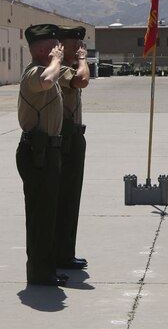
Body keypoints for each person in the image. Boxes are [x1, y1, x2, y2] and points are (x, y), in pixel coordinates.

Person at [16, 24, 66, 286]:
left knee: (47, 215)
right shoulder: (34, 73)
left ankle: (46, 269)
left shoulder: (47, 70)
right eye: (55, 46)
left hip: (47, 151)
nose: (59, 50)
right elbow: (46, 81)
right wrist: (57, 61)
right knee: (39, 215)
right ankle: (39, 272)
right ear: (44, 49)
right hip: (37, 153)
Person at [55, 26, 90, 270]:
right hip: (64, 140)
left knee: (71, 199)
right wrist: (83, 60)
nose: (79, 48)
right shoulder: (61, 69)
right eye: (74, 44)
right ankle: (60, 254)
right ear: (62, 45)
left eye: (80, 44)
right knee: (64, 198)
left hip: (74, 136)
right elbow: (82, 80)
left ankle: (66, 253)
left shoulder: (68, 67)